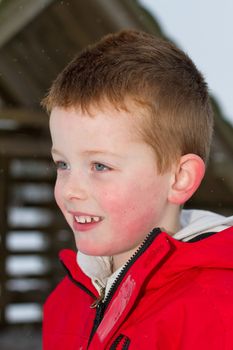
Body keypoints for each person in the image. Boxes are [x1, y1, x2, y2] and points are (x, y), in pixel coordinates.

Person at [41, 30, 233, 349]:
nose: (70, 190)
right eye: (62, 164)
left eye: (100, 166)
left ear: (179, 178)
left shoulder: (217, 309)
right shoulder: (66, 300)